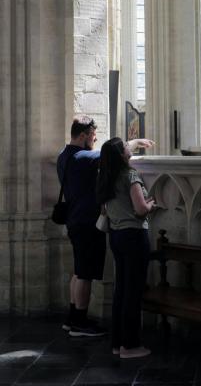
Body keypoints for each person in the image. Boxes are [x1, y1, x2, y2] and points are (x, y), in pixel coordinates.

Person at [57, 115, 153, 337]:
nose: (95, 138)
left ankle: (72, 318)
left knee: (79, 270)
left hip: (73, 219)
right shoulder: (85, 157)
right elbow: (112, 153)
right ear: (82, 136)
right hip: (86, 221)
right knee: (85, 273)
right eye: (92, 135)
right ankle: (80, 322)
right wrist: (136, 142)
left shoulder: (64, 156)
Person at [96, 137, 156, 358]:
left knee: (121, 290)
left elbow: (104, 210)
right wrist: (152, 203)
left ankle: (117, 343)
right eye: (125, 148)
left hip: (117, 236)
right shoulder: (129, 175)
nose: (128, 150)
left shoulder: (105, 178)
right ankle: (130, 346)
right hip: (134, 236)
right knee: (133, 292)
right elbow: (140, 209)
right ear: (122, 155)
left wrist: (137, 141)